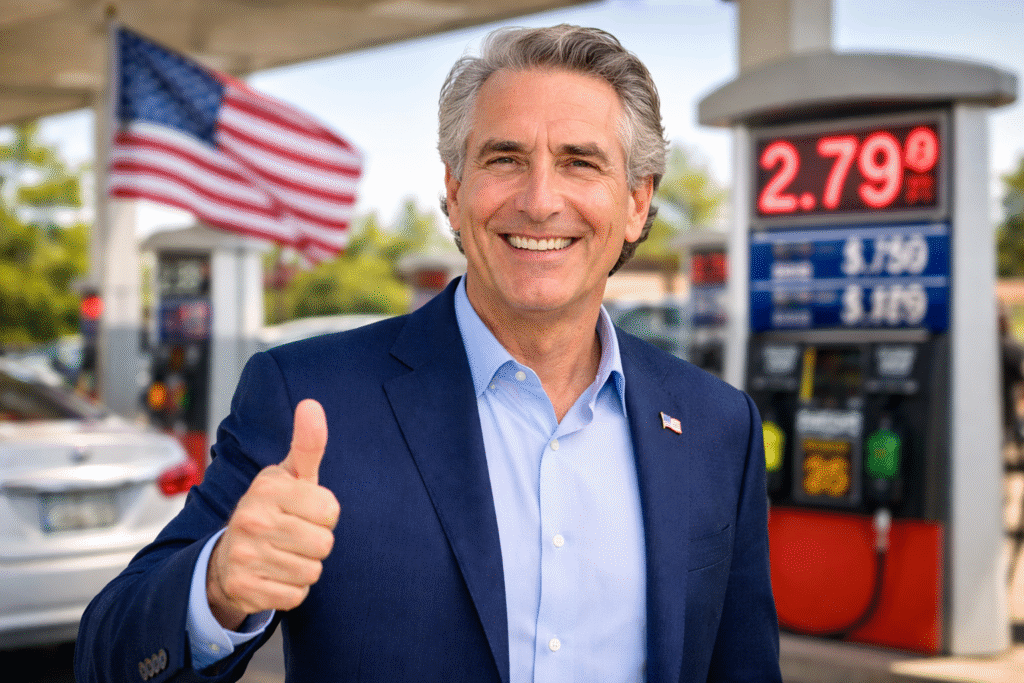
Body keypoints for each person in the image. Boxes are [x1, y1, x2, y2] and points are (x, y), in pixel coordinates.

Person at [75, 25, 782, 683]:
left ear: (636, 202)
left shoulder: (718, 426)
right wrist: (218, 585)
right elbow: (109, 654)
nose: (539, 201)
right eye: (504, 158)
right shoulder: (311, 398)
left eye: (579, 162)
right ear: (454, 190)